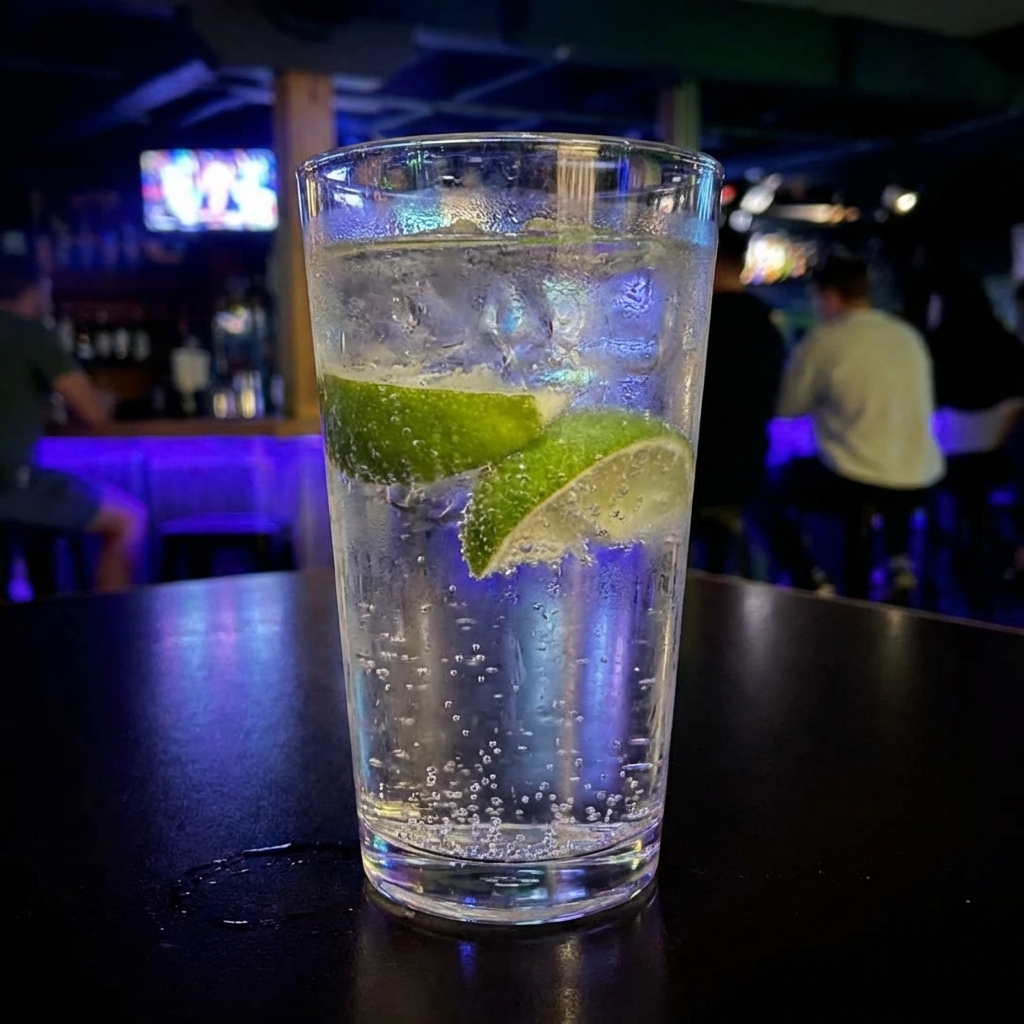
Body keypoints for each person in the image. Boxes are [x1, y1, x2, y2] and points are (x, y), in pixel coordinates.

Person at [771, 253, 944, 601]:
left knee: (767, 494)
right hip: (920, 474)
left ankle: (813, 578)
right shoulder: (906, 335)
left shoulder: (825, 339)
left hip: (856, 478)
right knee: (878, 473)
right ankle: (897, 560)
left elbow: (787, 406)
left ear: (828, 295)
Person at [0, 252, 146, 592]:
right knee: (128, 520)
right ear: (35, 289)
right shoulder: (29, 332)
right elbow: (94, 414)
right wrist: (104, 400)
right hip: (10, 483)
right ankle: (112, 620)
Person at [925, 273, 1024, 614]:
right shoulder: (1008, 346)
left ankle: (929, 574)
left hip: (946, 463)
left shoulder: (935, 351)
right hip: (1000, 461)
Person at [691, 226, 785, 573]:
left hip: (698, 474)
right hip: (748, 472)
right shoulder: (766, 324)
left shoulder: (698, 322)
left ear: (708, 259)